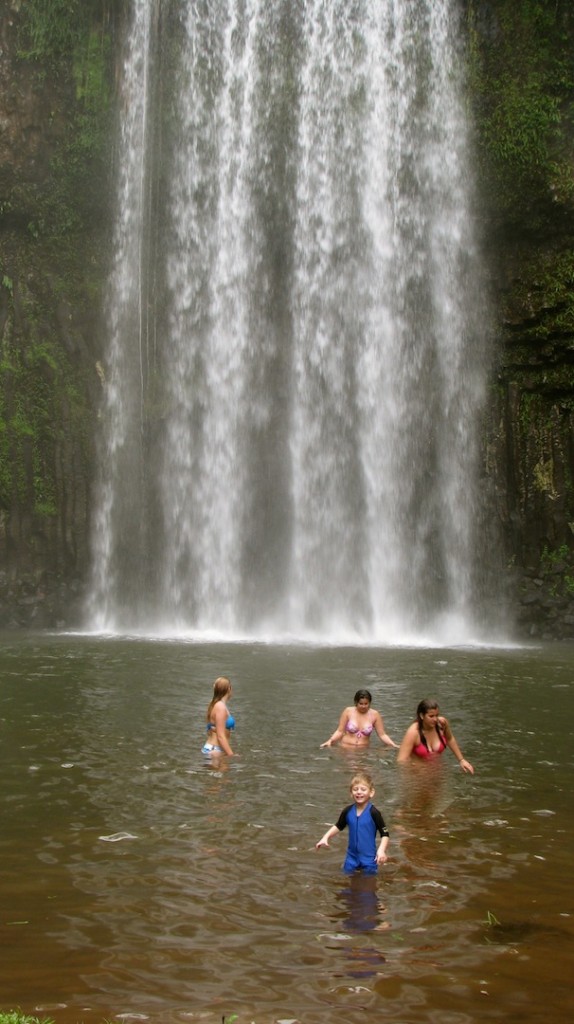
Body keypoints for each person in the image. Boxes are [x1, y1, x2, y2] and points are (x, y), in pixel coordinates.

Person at [315, 771, 390, 874]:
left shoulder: (374, 812)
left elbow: (385, 834)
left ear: (371, 793)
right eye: (355, 789)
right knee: (345, 883)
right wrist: (325, 837)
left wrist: (381, 850)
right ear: (351, 793)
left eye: (363, 789)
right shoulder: (348, 811)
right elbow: (338, 826)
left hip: (369, 859)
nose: (359, 792)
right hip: (351, 857)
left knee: (368, 886)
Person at [396, 698, 474, 773]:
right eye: (431, 716)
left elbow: (450, 739)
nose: (435, 719)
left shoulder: (442, 724)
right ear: (422, 716)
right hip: (418, 774)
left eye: (437, 715)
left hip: (437, 771)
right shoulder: (413, 732)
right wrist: (418, 767)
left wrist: (461, 760)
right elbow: (401, 760)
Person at [320, 688, 398, 750]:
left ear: (369, 703)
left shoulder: (375, 715)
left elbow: (382, 735)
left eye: (366, 704)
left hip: (363, 750)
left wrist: (393, 745)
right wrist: (330, 741)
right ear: (356, 703)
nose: (363, 706)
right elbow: (340, 731)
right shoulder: (348, 711)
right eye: (361, 704)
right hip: (345, 748)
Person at [201, 676, 237, 757]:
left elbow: (213, 728)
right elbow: (220, 736)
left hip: (214, 749)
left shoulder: (216, 704)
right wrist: (231, 754)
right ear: (229, 689)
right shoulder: (220, 707)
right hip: (215, 750)